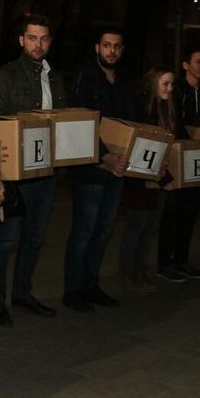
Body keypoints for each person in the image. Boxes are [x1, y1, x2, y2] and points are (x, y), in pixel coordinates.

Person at [0, 15, 65, 326]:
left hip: (46, 171)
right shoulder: (5, 75)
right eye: (32, 38)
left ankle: (22, 293)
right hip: (16, 174)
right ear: (21, 40)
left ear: (50, 42)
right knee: (5, 241)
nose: (38, 44)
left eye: (44, 38)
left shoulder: (55, 78)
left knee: (34, 238)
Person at [63, 29, 133, 312]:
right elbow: (81, 122)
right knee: (84, 230)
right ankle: (73, 290)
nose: (111, 51)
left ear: (122, 50)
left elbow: (130, 121)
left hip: (117, 167)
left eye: (116, 46)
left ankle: (90, 284)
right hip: (90, 169)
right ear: (97, 48)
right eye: (106, 45)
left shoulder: (124, 80)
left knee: (103, 231)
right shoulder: (85, 76)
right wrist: (103, 157)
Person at [155, 46, 200, 282]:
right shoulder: (177, 92)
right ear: (186, 65)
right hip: (179, 156)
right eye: (198, 61)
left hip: (197, 158)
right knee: (172, 213)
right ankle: (165, 262)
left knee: (190, 213)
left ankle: (181, 259)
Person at [120, 67, 174, 292]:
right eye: (165, 83)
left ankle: (139, 269)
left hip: (158, 178)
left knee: (151, 227)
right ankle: (128, 271)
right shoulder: (141, 109)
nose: (170, 88)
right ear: (153, 84)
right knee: (137, 226)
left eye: (172, 84)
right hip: (140, 177)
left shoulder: (167, 111)